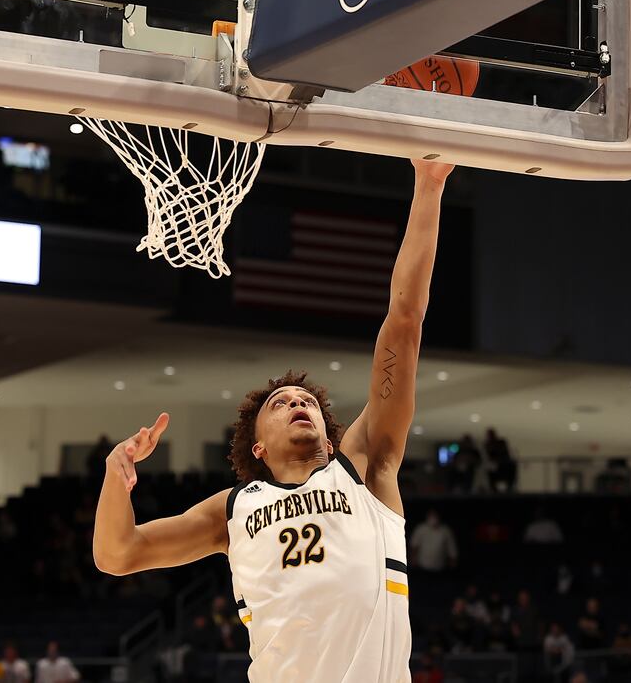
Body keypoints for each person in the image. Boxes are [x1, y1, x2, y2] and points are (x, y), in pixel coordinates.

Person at [91, 161, 454, 683]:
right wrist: (114, 473)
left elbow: (404, 320)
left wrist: (429, 183)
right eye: (280, 404)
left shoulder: (363, 469)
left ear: (331, 440)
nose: (298, 403)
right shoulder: (234, 509)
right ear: (256, 447)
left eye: (305, 400)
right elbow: (116, 554)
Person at [408, 510, 458, 575]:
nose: (433, 518)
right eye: (431, 515)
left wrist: (452, 564)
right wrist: (412, 560)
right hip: (422, 568)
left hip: (439, 569)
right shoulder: (421, 528)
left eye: (435, 515)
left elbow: (452, 549)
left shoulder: (445, 531)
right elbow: (414, 546)